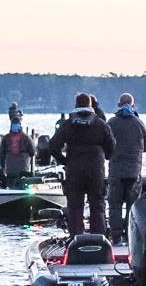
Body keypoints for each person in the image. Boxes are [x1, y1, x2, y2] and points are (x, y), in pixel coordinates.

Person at [46, 94, 115, 236]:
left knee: (75, 207)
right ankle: (98, 238)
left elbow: (53, 145)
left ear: (76, 105)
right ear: (91, 105)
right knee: (97, 205)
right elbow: (112, 145)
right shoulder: (100, 124)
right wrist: (106, 156)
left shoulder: (67, 124)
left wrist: (63, 160)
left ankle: (76, 238)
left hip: (74, 170)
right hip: (96, 170)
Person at [106, 93, 146, 244]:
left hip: (116, 171)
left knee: (115, 205)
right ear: (133, 105)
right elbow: (145, 147)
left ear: (119, 105)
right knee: (132, 206)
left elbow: (106, 146)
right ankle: (130, 236)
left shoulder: (111, 123)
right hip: (134, 171)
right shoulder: (139, 123)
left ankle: (116, 237)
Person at [0, 119, 35, 187]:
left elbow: (1, 154)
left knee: (11, 184)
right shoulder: (26, 137)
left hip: (10, 167)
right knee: (24, 183)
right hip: (23, 166)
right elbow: (32, 152)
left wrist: (3, 166)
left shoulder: (5, 138)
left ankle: (10, 190)